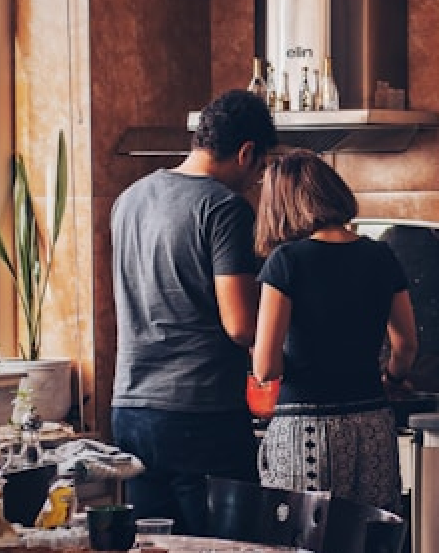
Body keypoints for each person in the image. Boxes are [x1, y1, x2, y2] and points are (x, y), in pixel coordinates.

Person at [110, 89, 277, 534]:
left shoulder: (129, 199)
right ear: (246, 153)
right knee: (229, 546)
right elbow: (241, 326)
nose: (256, 180)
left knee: (156, 545)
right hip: (199, 413)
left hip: (130, 408)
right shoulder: (224, 208)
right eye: (260, 169)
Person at [251, 150, 419, 512]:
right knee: (370, 539)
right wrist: (391, 378)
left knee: (303, 542)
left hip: (306, 432)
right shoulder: (381, 256)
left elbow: (266, 368)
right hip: (373, 423)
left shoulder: (287, 261)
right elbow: (405, 344)